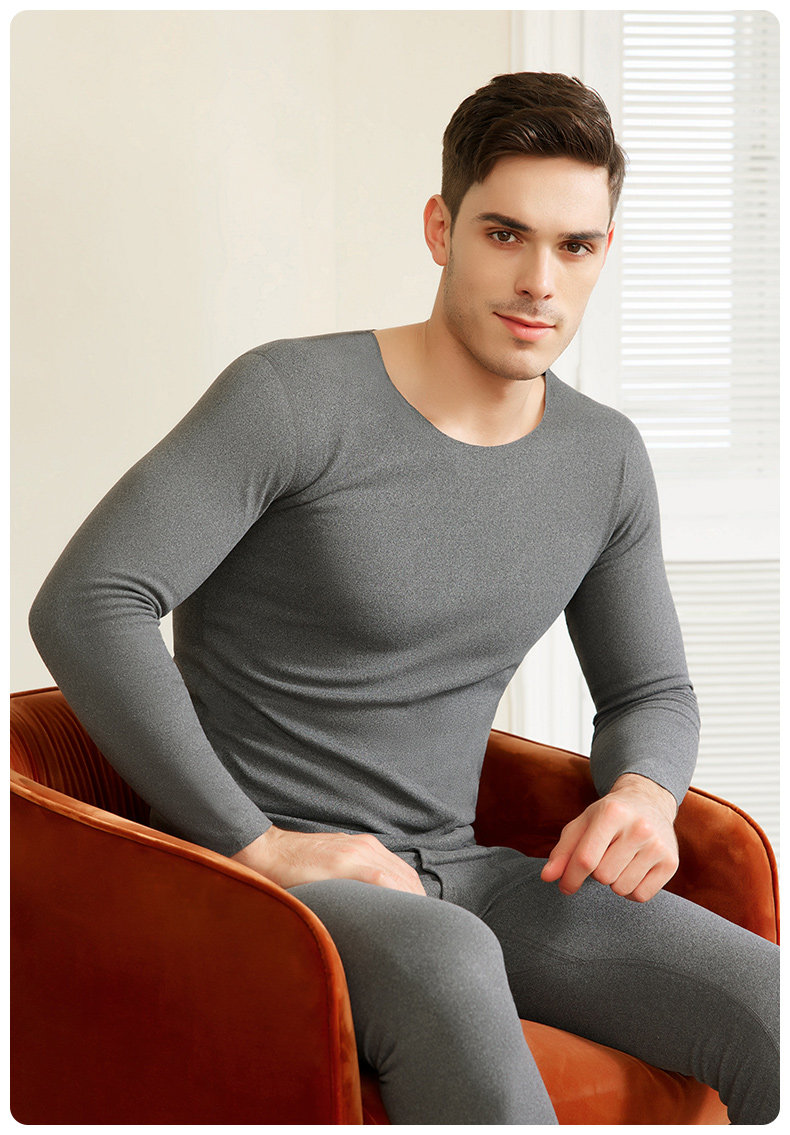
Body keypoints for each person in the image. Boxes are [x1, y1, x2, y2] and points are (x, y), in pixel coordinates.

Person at [29, 72, 778, 1124]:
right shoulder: (291, 398)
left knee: (768, 1003)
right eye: (504, 234)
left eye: (573, 246)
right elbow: (87, 600)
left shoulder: (603, 459)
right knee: (445, 956)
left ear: (604, 251)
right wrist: (257, 843)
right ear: (440, 228)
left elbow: (650, 689)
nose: (538, 282)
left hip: (461, 872)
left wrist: (645, 794)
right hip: (251, 883)